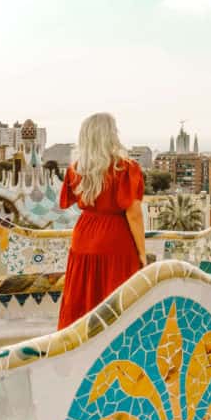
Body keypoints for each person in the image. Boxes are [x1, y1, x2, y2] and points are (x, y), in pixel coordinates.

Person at [57, 112, 146, 330]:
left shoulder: (75, 169)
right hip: (115, 238)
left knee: (82, 294)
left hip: (84, 236)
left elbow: (68, 201)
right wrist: (142, 253)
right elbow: (133, 214)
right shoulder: (126, 168)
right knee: (117, 296)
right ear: (111, 135)